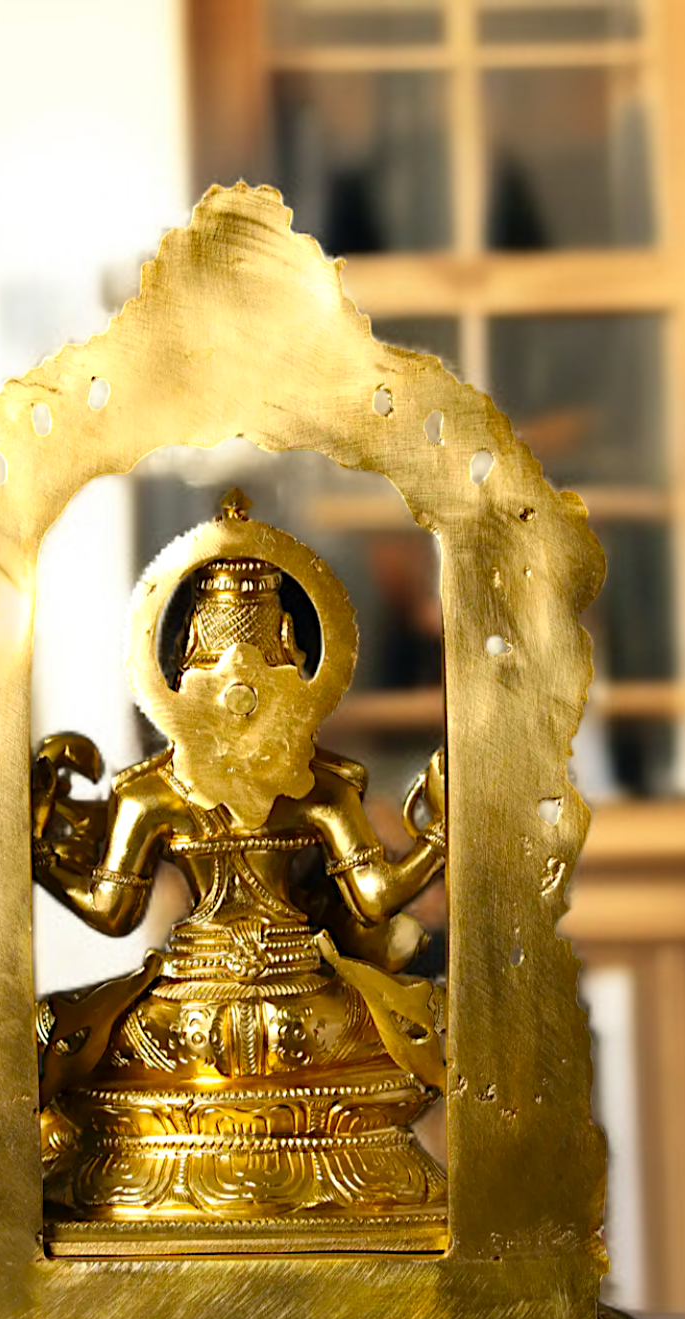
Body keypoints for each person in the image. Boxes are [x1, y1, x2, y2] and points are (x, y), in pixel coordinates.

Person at [31, 495, 449, 1235]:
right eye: (221, 667)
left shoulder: (319, 786)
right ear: (180, 671)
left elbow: (372, 899)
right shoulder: (155, 789)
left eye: (260, 667)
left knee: (417, 1030)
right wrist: (34, 855)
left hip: (289, 995)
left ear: (294, 664)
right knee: (57, 1037)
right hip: (220, 1007)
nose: (239, 690)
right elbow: (116, 911)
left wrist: (443, 841)